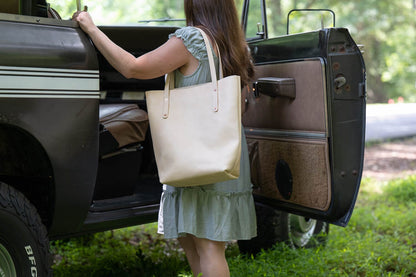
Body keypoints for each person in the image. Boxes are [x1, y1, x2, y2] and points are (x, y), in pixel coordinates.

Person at [73, 0, 257, 276]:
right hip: (223, 148)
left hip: (195, 150)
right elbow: (242, 105)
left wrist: (91, 28)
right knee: (196, 240)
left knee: (206, 246)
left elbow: (133, 67)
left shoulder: (191, 39)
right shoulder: (235, 45)